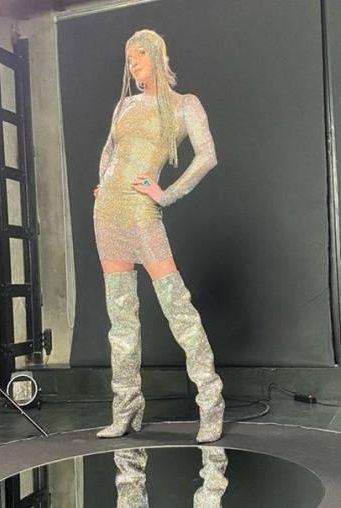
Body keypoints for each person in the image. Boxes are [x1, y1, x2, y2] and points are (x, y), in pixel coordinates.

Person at [93, 29, 225, 443]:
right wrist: (103, 182)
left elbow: (208, 156)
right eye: (128, 58)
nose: (132, 64)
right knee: (121, 317)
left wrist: (166, 194)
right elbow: (109, 151)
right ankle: (126, 408)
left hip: (141, 211)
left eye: (138, 56)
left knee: (177, 307)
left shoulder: (184, 105)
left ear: (156, 55)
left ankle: (211, 402)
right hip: (107, 213)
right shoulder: (124, 105)